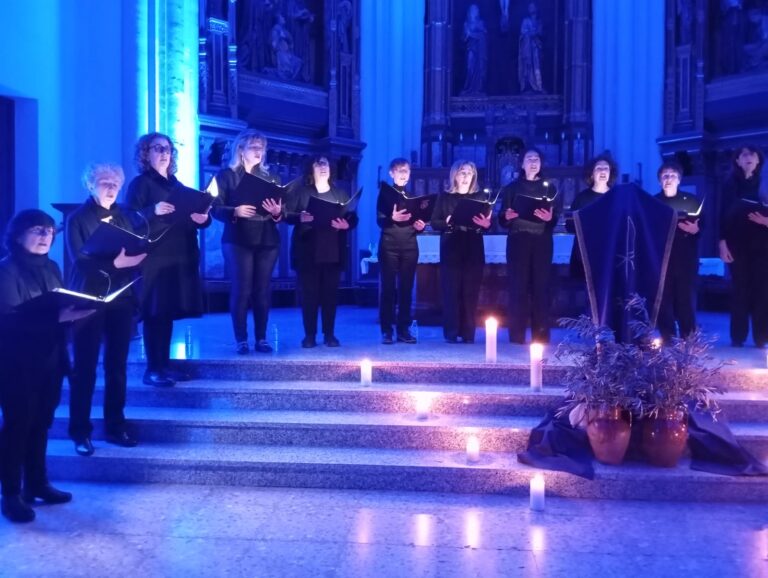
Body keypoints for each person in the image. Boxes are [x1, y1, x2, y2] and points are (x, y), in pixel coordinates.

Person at [0, 210, 92, 523]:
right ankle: (11, 493)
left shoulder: (52, 266)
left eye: (50, 231)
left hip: (51, 358)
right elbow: (8, 318)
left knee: (41, 423)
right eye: (37, 230)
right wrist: (58, 316)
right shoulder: (6, 270)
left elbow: (58, 305)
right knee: (17, 426)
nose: (45, 236)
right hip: (16, 361)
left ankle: (37, 483)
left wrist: (77, 311)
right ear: (17, 234)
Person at [66, 163, 147, 457]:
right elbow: (80, 261)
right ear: (90, 185)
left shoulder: (124, 216)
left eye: (115, 182)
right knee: (84, 368)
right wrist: (116, 263)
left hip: (120, 298)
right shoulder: (77, 219)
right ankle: (80, 431)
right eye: (104, 181)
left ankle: (115, 426)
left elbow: (134, 251)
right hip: (88, 298)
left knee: (117, 366)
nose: (111, 187)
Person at [125, 133, 211, 386]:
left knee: (168, 311)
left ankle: (164, 364)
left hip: (180, 253)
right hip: (155, 256)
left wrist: (203, 218)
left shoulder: (176, 185)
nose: (164, 153)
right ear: (145, 153)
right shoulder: (140, 184)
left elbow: (195, 214)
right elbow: (128, 218)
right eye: (158, 148)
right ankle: (152, 369)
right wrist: (152, 210)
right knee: (155, 311)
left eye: (168, 149)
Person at [212, 130, 283, 355]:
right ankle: (241, 339)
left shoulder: (272, 178)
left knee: (262, 291)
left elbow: (282, 211)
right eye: (254, 146)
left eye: (261, 147)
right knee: (241, 289)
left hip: (267, 238)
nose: (259, 151)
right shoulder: (225, 176)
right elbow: (214, 207)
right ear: (240, 149)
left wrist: (277, 212)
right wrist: (235, 211)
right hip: (237, 238)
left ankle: (261, 338)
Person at [286, 155, 358, 348]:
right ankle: (309, 335)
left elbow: (352, 217)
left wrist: (346, 224)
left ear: (330, 168)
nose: (322, 167)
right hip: (308, 249)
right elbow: (287, 214)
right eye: (318, 164)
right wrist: (300, 217)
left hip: (332, 250)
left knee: (330, 296)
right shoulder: (302, 192)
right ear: (311, 169)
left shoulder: (340, 194)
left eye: (325, 163)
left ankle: (329, 335)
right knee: (309, 296)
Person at [498, 148, 557, 343]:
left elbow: (555, 217)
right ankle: (517, 335)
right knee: (518, 287)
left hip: (542, 242)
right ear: (522, 164)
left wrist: (549, 218)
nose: (533, 162)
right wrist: (506, 216)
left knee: (541, 287)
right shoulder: (511, 188)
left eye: (537, 158)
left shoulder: (550, 188)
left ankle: (541, 334)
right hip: (518, 241)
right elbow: (502, 217)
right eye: (529, 158)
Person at [431, 160, 492, 343]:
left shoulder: (480, 197)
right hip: (451, 246)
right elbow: (434, 222)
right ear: (454, 175)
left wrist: (486, 224)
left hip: (473, 246)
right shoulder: (444, 197)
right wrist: (446, 222)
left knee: (470, 291)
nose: (466, 176)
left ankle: (468, 333)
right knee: (451, 291)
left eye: (470, 173)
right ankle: (451, 333)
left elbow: (488, 223)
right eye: (462, 172)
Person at [719, 144, 767, 347]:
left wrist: (766, 221)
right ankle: (737, 337)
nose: (748, 157)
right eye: (744, 155)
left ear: (758, 160)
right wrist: (722, 243)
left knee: (762, 290)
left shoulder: (765, 183)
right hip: (736, 244)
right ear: (737, 161)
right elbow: (721, 215)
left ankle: (761, 337)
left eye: (752, 154)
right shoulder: (729, 184)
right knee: (740, 290)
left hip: (763, 245)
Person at [376, 158, 425, 344]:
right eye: (400, 170)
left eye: (406, 170)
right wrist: (392, 217)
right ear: (392, 173)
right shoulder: (385, 194)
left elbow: (418, 222)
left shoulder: (413, 198)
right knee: (388, 289)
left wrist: (420, 226)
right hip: (389, 245)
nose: (404, 174)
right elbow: (380, 220)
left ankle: (403, 329)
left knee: (406, 289)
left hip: (410, 245)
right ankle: (386, 331)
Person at [654, 161, 701, 341]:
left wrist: (695, 230)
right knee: (663, 298)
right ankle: (668, 337)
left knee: (686, 297)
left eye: (673, 175)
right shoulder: (653, 202)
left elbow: (703, 225)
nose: (669, 179)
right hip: (661, 256)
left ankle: (689, 337)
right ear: (660, 180)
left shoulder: (691, 200)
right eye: (665, 176)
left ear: (679, 180)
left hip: (685, 255)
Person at [566, 154, 618, 279]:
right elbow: (570, 225)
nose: (603, 171)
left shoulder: (617, 197)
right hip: (586, 252)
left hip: (611, 251)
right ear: (591, 174)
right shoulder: (582, 198)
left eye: (606, 168)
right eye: (599, 168)